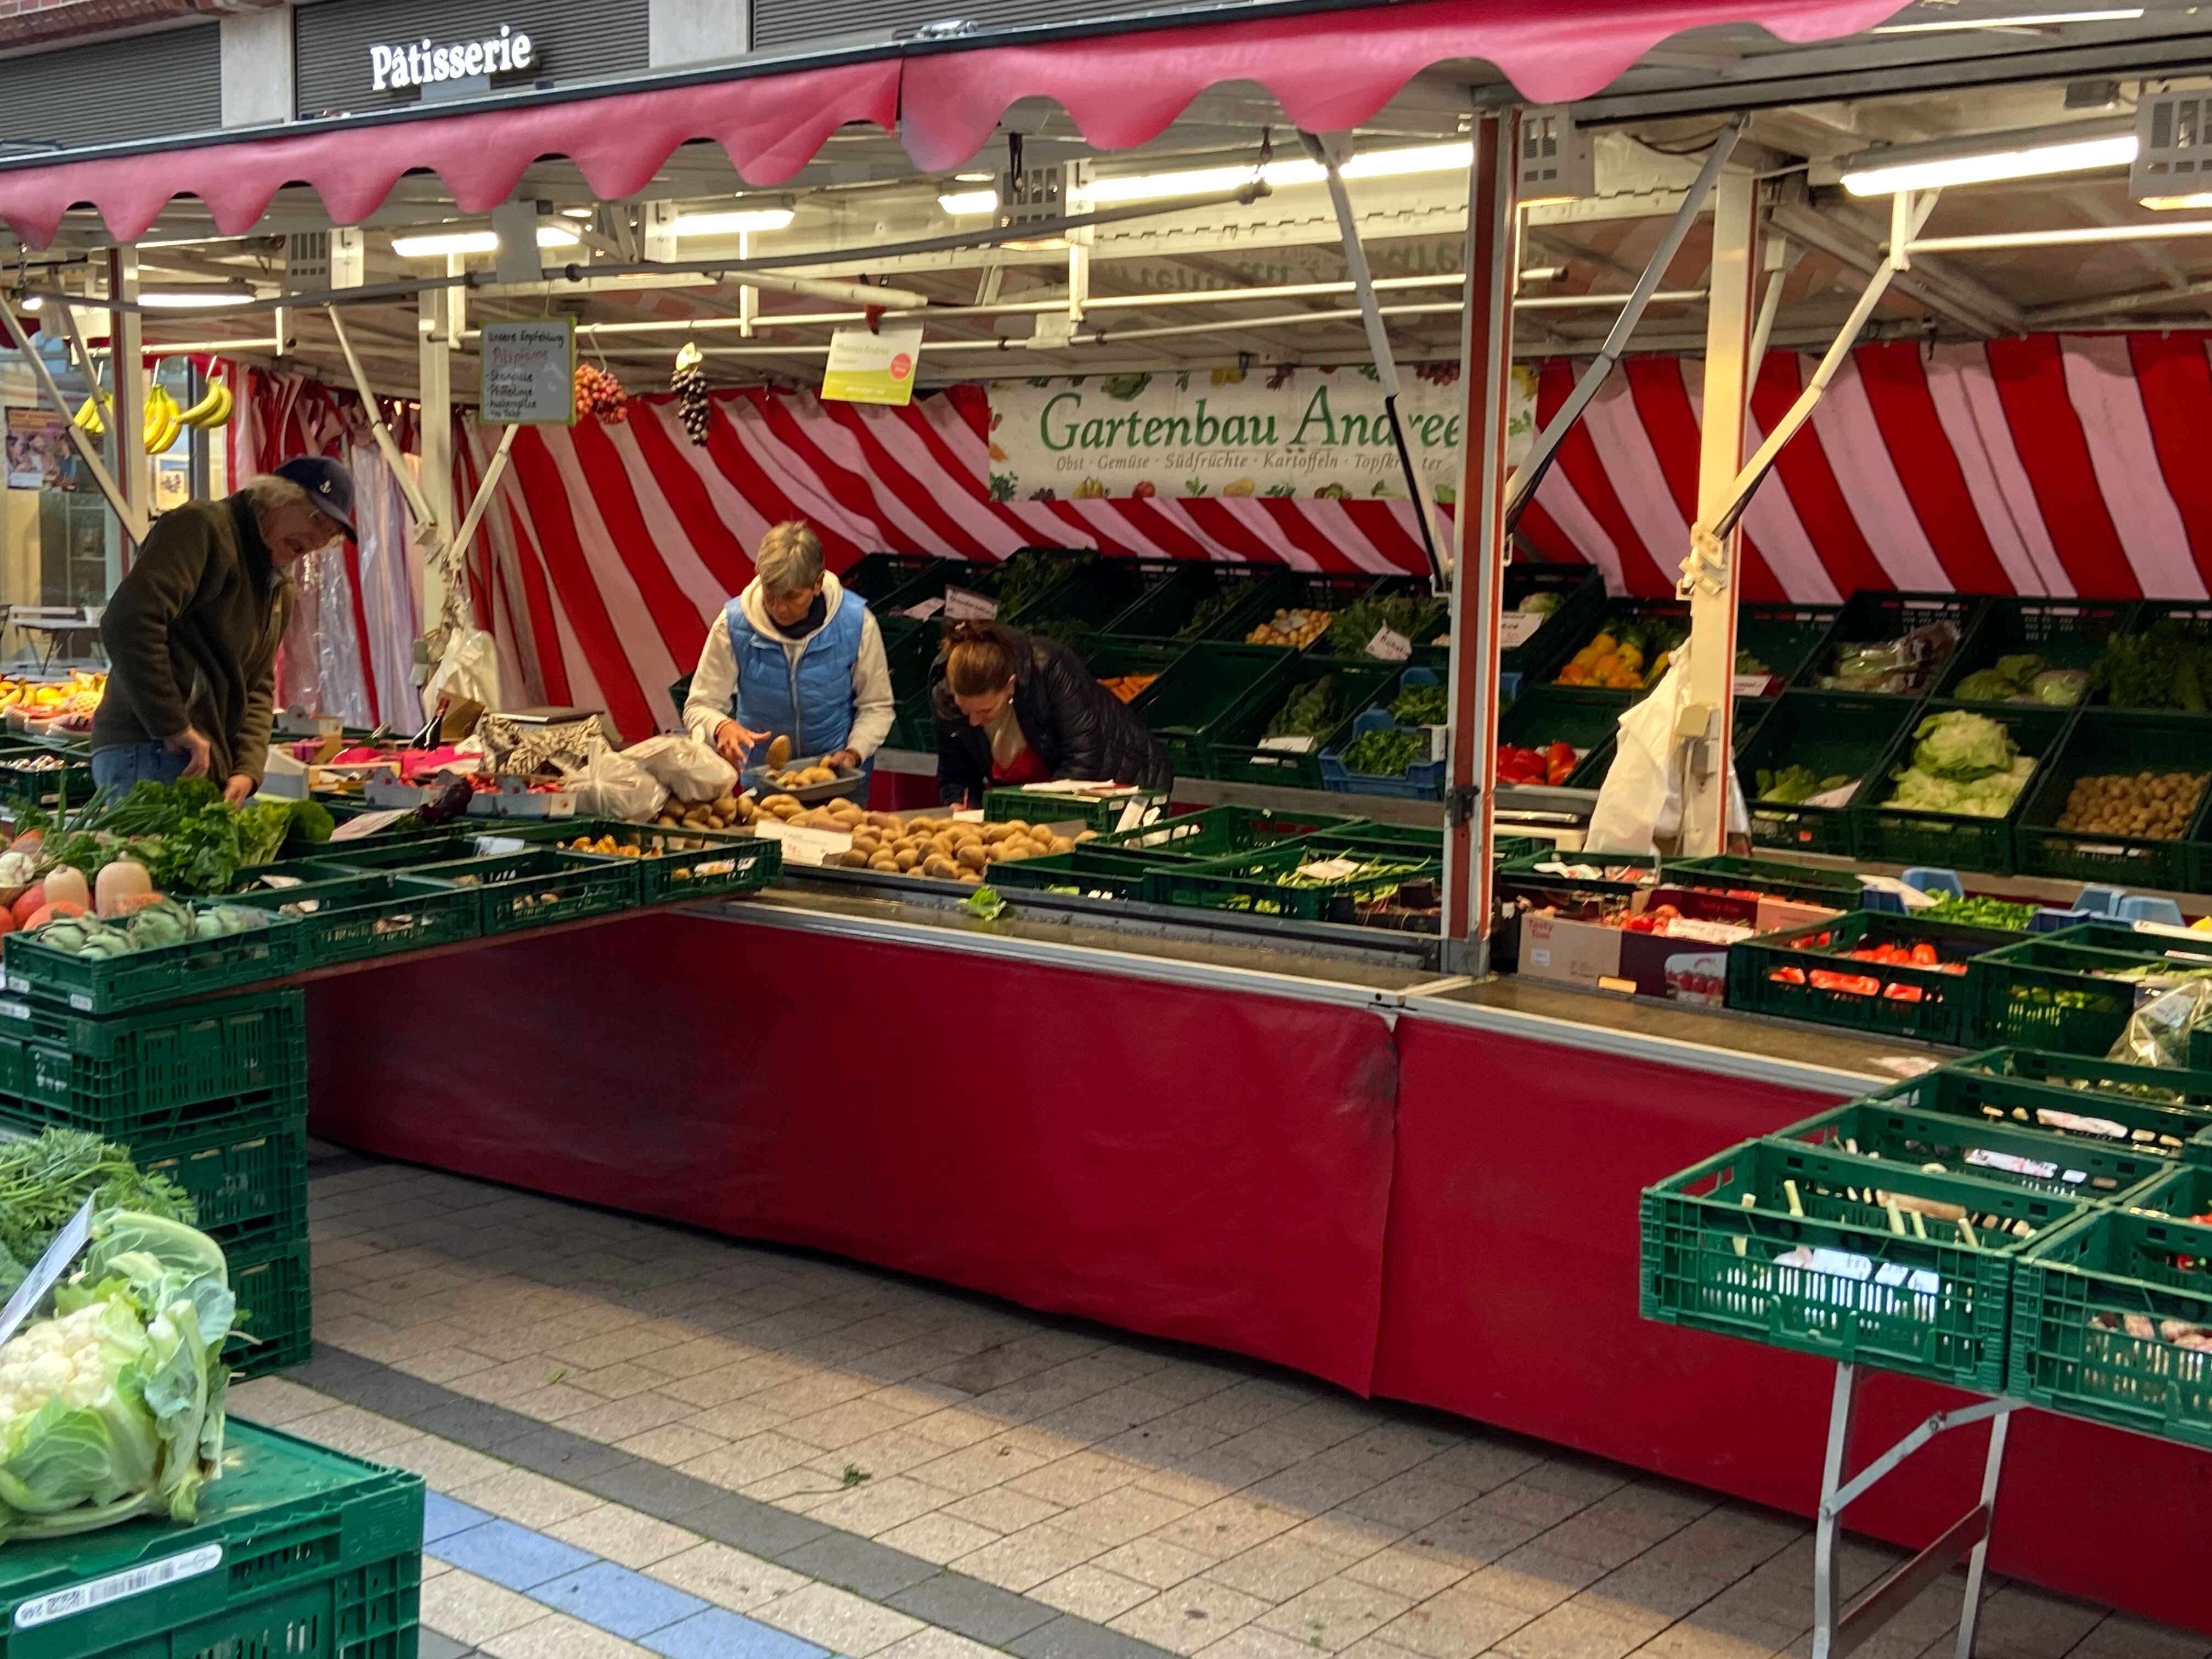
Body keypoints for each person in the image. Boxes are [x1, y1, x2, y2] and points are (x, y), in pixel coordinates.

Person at [91, 456, 354, 804]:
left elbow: (258, 683)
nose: (318, 538)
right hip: (148, 749)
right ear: (274, 497)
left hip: (202, 756)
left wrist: (248, 766)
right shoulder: (202, 528)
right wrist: (173, 725)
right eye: (315, 518)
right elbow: (129, 621)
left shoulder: (278, 585)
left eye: (331, 532)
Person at [683, 520, 894, 773]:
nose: (779, 607)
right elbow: (699, 706)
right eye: (771, 593)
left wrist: (854, 752)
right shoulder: (731, 625)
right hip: (763, 780)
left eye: (792, 597)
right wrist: (720, 726)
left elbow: (876, 706)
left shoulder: (858, 622)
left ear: (817, 584)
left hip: (838, 779)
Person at [931, 619, 1172, 807]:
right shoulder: (945, 698)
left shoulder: (1050, 667)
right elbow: (955, 772)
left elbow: (1084, 755)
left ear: (1010, 685)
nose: (974, 721)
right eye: (966, 711)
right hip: (1044, 799)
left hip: (1124, 779)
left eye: (986, 711)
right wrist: (958, 805)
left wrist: (1037, 812)